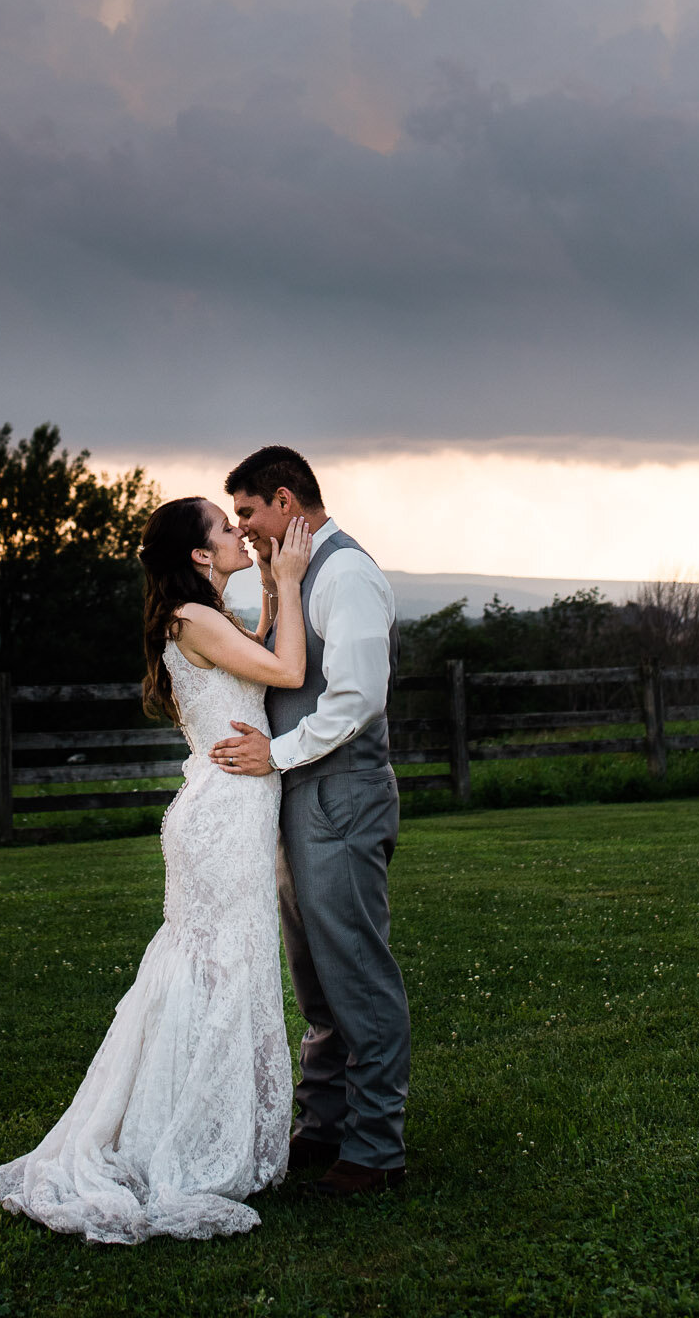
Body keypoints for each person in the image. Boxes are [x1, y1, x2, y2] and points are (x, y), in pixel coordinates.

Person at [0, 497, 314, 1243]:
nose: (240, 534)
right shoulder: (194, 621)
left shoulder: (205, 617)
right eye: (226, 529)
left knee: (220, 970)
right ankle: (185, 1141)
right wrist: (290, 580)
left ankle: (197, 1125)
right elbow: (289, 666)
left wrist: (266, 585)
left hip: (231, 809)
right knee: (219, 970)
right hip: (222, 817)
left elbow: (260, 659)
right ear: (199, 556)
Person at [211, 444, 410, 1197]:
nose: (246, 527)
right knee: (316, 981)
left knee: (355, 973)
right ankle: (323, 1128)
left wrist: (275, 755)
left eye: (249, 513)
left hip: (339, 796)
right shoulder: (293, 573)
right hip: (300, 794)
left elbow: (356, 700)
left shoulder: (349, 574)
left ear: (286, 500)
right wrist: (269, 582)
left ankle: (374, 1150)